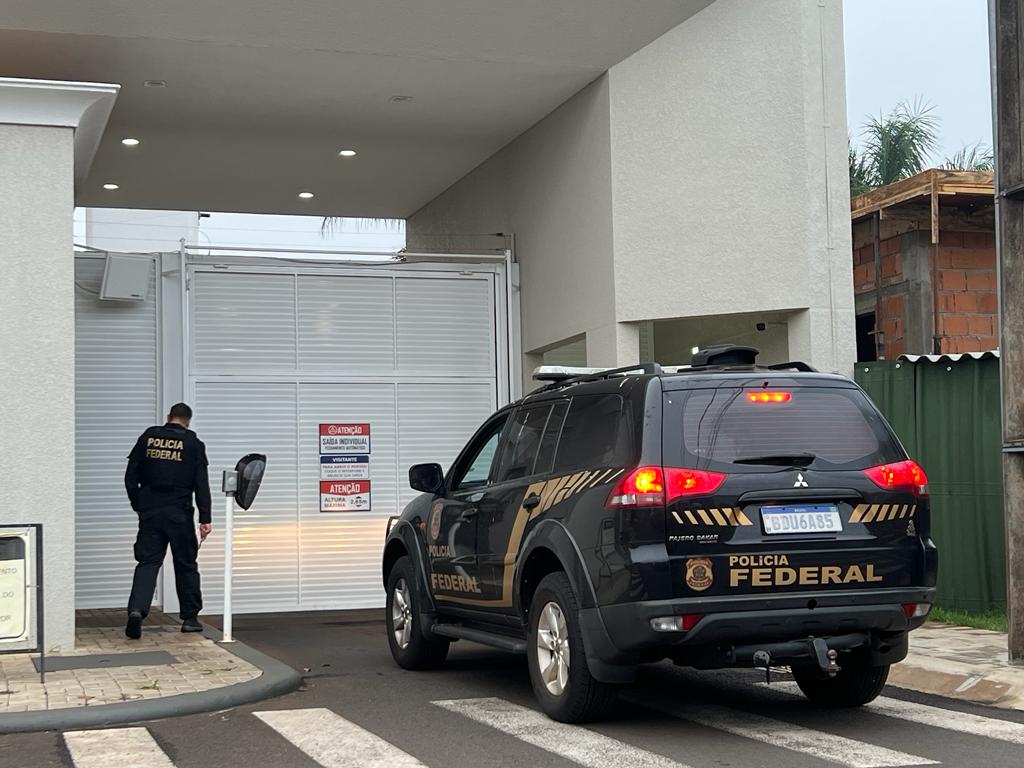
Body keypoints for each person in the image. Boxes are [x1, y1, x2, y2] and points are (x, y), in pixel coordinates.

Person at [124, 402, 212, 639]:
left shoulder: (148, 437)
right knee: (186, 564)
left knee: (147, 562)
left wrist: (138, 504)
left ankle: (137, 610)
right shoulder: (193, 444)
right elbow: (201, 483)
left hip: (150, 512)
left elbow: (130, 477)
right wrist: (205, 518)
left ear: (168, 416)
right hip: (179, 513)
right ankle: (190, 619)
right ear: (188, 420)